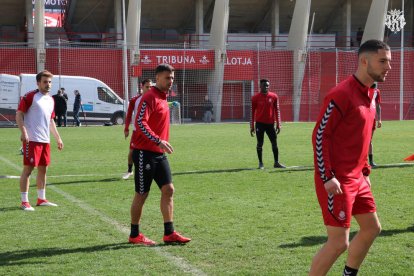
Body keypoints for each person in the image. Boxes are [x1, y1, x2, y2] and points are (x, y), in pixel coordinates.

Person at [309, 39, 391, 276]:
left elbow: (364, 136)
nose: (388, 67)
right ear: (364, 61)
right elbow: (320, 136)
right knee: (338, 243)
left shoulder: (374, 93)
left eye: (389, 61)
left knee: (371, 228)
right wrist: (327, 176)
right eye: (382, 61)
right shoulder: (341, 94)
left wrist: (365, 170)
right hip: (337, 180)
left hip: (358, 178)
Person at [128, 64, 191, 245]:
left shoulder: (163, 98)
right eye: (167, 78)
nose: (170, 81)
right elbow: (140, 123)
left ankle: (169, 233)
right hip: (144, 153)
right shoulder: (149, 97)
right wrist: (158, 140)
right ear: (157, 78)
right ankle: (134, 235)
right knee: (142, 194)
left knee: (168, 189)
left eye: (172, 78)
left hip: (158, 153)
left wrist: (159, 144)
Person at [16, 70, 64, 211]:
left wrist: (58, 138)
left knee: (43, 169)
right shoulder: (30, 96)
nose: (48, 84)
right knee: (28, 170)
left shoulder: (51, 100)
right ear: (38, 83)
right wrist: (24, 132)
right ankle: (24, 202)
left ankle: (41, 199)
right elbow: (19, 114)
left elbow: (51, 121)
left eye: (49, 82)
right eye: (45, 82)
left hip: (45, 141)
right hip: (32, 140)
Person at [250, 79, 285, 169]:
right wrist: (252, 126)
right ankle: (261, 163)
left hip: (270, 124)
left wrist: (278, 124)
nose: (267, 87)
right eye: (265, 85)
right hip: (259, 124)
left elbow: (277, 110)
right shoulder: (255, 98)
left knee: (274, 143)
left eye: (268, 85)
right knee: (260, 143)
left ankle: (276, 162)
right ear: (260, 86)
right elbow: (252, 112)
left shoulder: (274, 96)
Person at [122, 78, 153, 180]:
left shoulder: (154, 99)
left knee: (151, 153)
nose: (149, 89)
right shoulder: (135, 100)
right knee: (132, 152)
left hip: (150, 132)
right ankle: (130, 171)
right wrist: (126, 128)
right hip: (137, 132)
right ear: (142, 87)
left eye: (150, 87)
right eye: (147, 87)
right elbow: (129, 114)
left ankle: (151, 170)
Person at [368, 82, 382, 167]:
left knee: (369, 140)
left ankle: (371, 161)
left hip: (372, 118)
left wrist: (379, 119)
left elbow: (378, 106)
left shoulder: (376, 92)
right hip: (362, 118)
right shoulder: (362, 90)